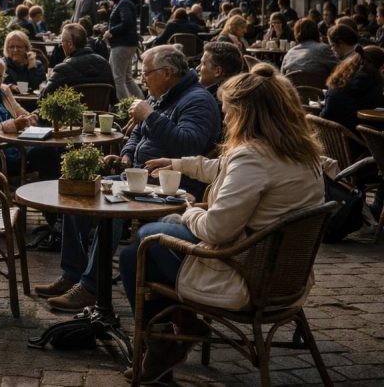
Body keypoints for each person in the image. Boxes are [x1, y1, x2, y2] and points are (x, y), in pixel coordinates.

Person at [120, 65, 324, 383]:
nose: (225, 120)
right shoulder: (297, 151)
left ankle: (166, 341)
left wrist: (185, 208)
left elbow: (216, 230)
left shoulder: (253, 157)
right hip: (284, 274)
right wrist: (178, 163)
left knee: (142, 244)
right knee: (154, 236)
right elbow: (224, 167)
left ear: (246, 114)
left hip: (245, 275)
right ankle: (180, 328)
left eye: (228, 112)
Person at [40, 45, 220, 311]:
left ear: (168, 72)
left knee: (111, 206)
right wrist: (125, 155)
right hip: (137, 176)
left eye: (147, 73)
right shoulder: (163, 95)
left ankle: (91, 288)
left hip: (172, 184)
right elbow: (138, 133)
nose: (143, 79)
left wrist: (150, 115)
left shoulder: (197, 101)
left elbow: (188, 144)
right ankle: (72, 272)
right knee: (79, 191)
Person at [321, 45, 384, 133]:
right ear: (378, 65)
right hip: (351, 136)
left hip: (326, 131)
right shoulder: (369, 80)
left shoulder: (342, 75)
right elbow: (373, 106)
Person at [40, 23, 114, 97]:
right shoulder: (105, 64)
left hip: (73, 109)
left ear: (70, 44)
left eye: (62, 42)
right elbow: (114, 99)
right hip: (100, 108)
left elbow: (43, 98)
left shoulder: (63, 69)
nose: (61, 45)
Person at [104, 0, 144, 100]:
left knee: (118, 78)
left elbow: (127, 22)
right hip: (127, 44)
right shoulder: (124, 1)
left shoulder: (123, 2)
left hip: (121, 44)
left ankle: (126, 109)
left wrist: (111, 31)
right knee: (126, 77)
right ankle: (142, 103)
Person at [196, 41, 246, 107]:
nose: (197, 68)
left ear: (218, 71)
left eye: (203, 64)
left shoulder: (207, 103)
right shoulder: (240, 96)